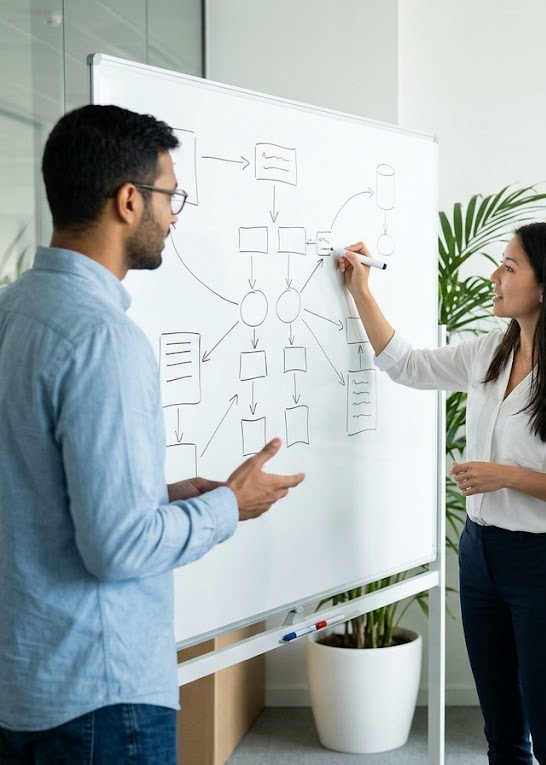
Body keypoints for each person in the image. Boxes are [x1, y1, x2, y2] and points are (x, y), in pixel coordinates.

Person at [0, 105, 305, 763]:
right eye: (171, 196)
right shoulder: (104, 339)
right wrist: (230, 504)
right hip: (100, 697)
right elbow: (118, 548)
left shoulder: (13, 311)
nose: (174, 215)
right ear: (129, 201)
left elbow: (28, 486)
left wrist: (160, 494)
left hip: (24, 685)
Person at [335, 222, 546, 764]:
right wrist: (362, 292)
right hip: (481, 554)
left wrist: (507, 476)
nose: (495, 276)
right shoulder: (493, 351)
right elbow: (409, 365)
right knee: (502, 731)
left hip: (545, 565)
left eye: (509, 267)